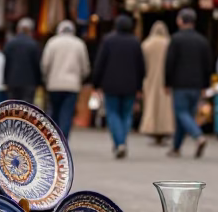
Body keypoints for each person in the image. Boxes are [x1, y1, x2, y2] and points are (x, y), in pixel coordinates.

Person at [91, 14, 145, 158]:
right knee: (126, 114)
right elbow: (141, 67)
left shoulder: (108, 40)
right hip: (131, 85)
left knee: (113, 113)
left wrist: (96, 83)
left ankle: (119, 143)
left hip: (111, 84)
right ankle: (122, 142)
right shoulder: (135, 42)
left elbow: (100, 63)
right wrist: (140, 87)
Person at [165, 7, 213, 158]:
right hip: (197, 84)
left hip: (180, 84)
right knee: (186, 116)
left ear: (180, 21)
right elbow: (208, 65)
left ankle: (198, 136)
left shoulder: (176, 39)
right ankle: (176, 147)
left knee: (181, 113)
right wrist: (206, 84)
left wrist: (167, 82)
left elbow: (169, 63)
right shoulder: (202, 41)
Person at [40, 19, 90, 139]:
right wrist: (81, 78)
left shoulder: (52, 42)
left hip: (54, 84)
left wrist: (46, 78)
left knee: (54, 113)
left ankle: (53, 141)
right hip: (72, 86)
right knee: (67, 114)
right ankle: (63, 141)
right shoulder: (79, 44)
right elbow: (85, 66)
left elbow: (45, 64)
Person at [140, 20, 174, 144]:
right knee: (165, 107)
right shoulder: (169, 44)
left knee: (151, 105)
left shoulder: (146, 44)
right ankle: (165, 129)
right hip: (166, 80)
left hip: (149, 79)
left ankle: (151, 128)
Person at [4, 18, 42, 104]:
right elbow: (37, 65)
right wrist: (39, 81)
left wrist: (6, 81)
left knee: (13, 108)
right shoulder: (34, 44)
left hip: (12, 81)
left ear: (18, 29)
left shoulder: (10, 44)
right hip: (29, 82)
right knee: (26, 109)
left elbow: (7, 64)